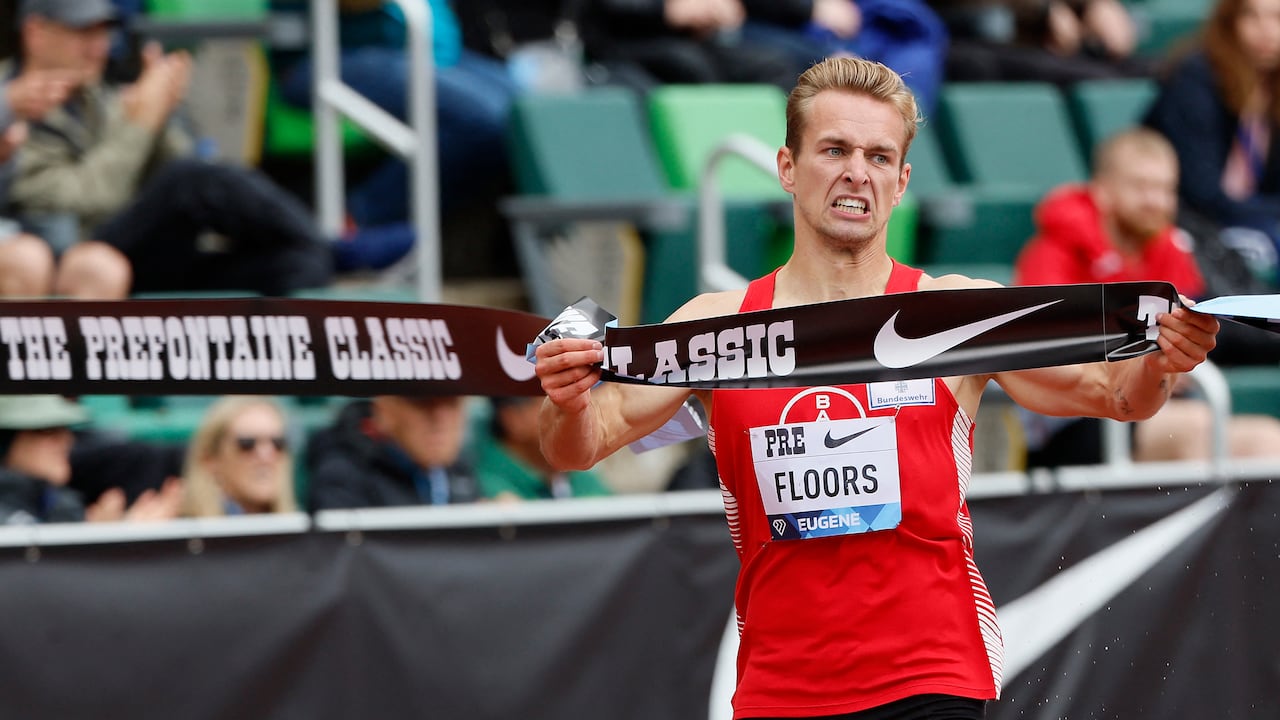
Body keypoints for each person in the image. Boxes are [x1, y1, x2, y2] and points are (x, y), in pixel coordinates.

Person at [534, 56, 1220, 718]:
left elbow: (1117, 395)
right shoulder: (717, 327)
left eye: (879, 156)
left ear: (901, 181)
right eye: (833, 150)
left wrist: (1161, 362)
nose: (856, 174)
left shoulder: (955, 314)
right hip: (781, 688)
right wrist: (565, 403)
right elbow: (581, 445)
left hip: (932, 674)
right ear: (787, 168)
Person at [4, 0, 333, 297]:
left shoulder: (98, 94)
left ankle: (326, 251)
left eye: (104, 34)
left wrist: (162, 117)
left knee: (295, 264)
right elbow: (79, 200)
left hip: (134, 249)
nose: (99, 48)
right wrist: (141, 122)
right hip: (73, 247)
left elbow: (185, 181)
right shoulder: (11, 100)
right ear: (36, 32)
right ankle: (338, 246)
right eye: (83, 33)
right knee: (189, 180)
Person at [1014, 127, 1280, 465]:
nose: (1156, 201)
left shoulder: (1169, 247)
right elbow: (1045, 345)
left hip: (1162, 403)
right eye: (1141, 187)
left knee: (1269, 441)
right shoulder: (1053, 251)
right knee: (1194, 429)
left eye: (1165, 189)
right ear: (1102, 191)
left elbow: (1186, 327)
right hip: (1078, 418)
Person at [272, 0, 520, 271]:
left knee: (531, 115)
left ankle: (548, 246)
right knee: (486, 121)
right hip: (325, 55)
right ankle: (348, 229)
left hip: (427, 52)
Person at [1144, 0, 1280, 284]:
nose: (1265, 30)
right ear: (1230, 22)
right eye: (1250, 16)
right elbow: (1203, 192)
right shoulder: (1197, 77)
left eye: (1277, 18)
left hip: (1253, 215)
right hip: (1192, 218)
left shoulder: (1271, 82)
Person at [0, 395, 181, 524]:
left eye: (64, 429)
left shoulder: (62, 505)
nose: (66, 440)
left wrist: (108, 537)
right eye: (47, 431)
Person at [307, 395, 480, 510]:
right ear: (384, 412)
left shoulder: (460, 471)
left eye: (452, 403)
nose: (440, 419)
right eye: (423, 403)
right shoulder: (343, 477)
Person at [475, 396, 612, 501]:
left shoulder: (579, 476)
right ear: (513, 419)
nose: (578, 417)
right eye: (559, 407)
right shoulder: (479, 489)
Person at [180, 396, 299, 517]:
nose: (266, 456)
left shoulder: (301, 527)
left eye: (278, 443)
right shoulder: (181, 530)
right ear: (210, 460)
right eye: (247, 444)